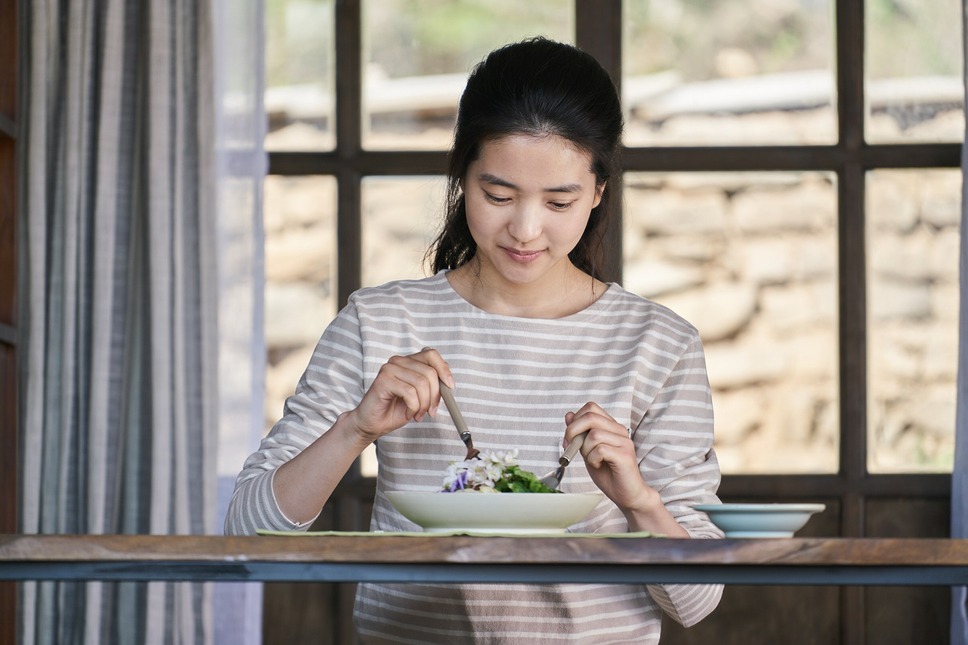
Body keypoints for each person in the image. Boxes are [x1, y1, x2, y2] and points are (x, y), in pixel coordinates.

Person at [225, 36, 724, 644]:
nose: (526, 229)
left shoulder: (657, 343)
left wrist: (639, 500)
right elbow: (247, 532)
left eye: (559, 200)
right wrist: (354, 428)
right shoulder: (382, 321)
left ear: (598, 192)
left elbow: (698, 600)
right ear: (462, 178)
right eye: (499, 195)